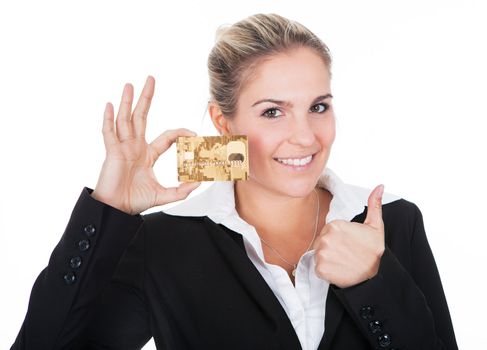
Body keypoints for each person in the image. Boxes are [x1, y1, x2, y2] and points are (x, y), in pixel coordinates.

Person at [11, 13, 458, 350]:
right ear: (223, 124)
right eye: (272, 111)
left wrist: (373, 283)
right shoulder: (164, 243)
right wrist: (107, 209)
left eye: (318, 106)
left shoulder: (392, 222)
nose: (305, 136)